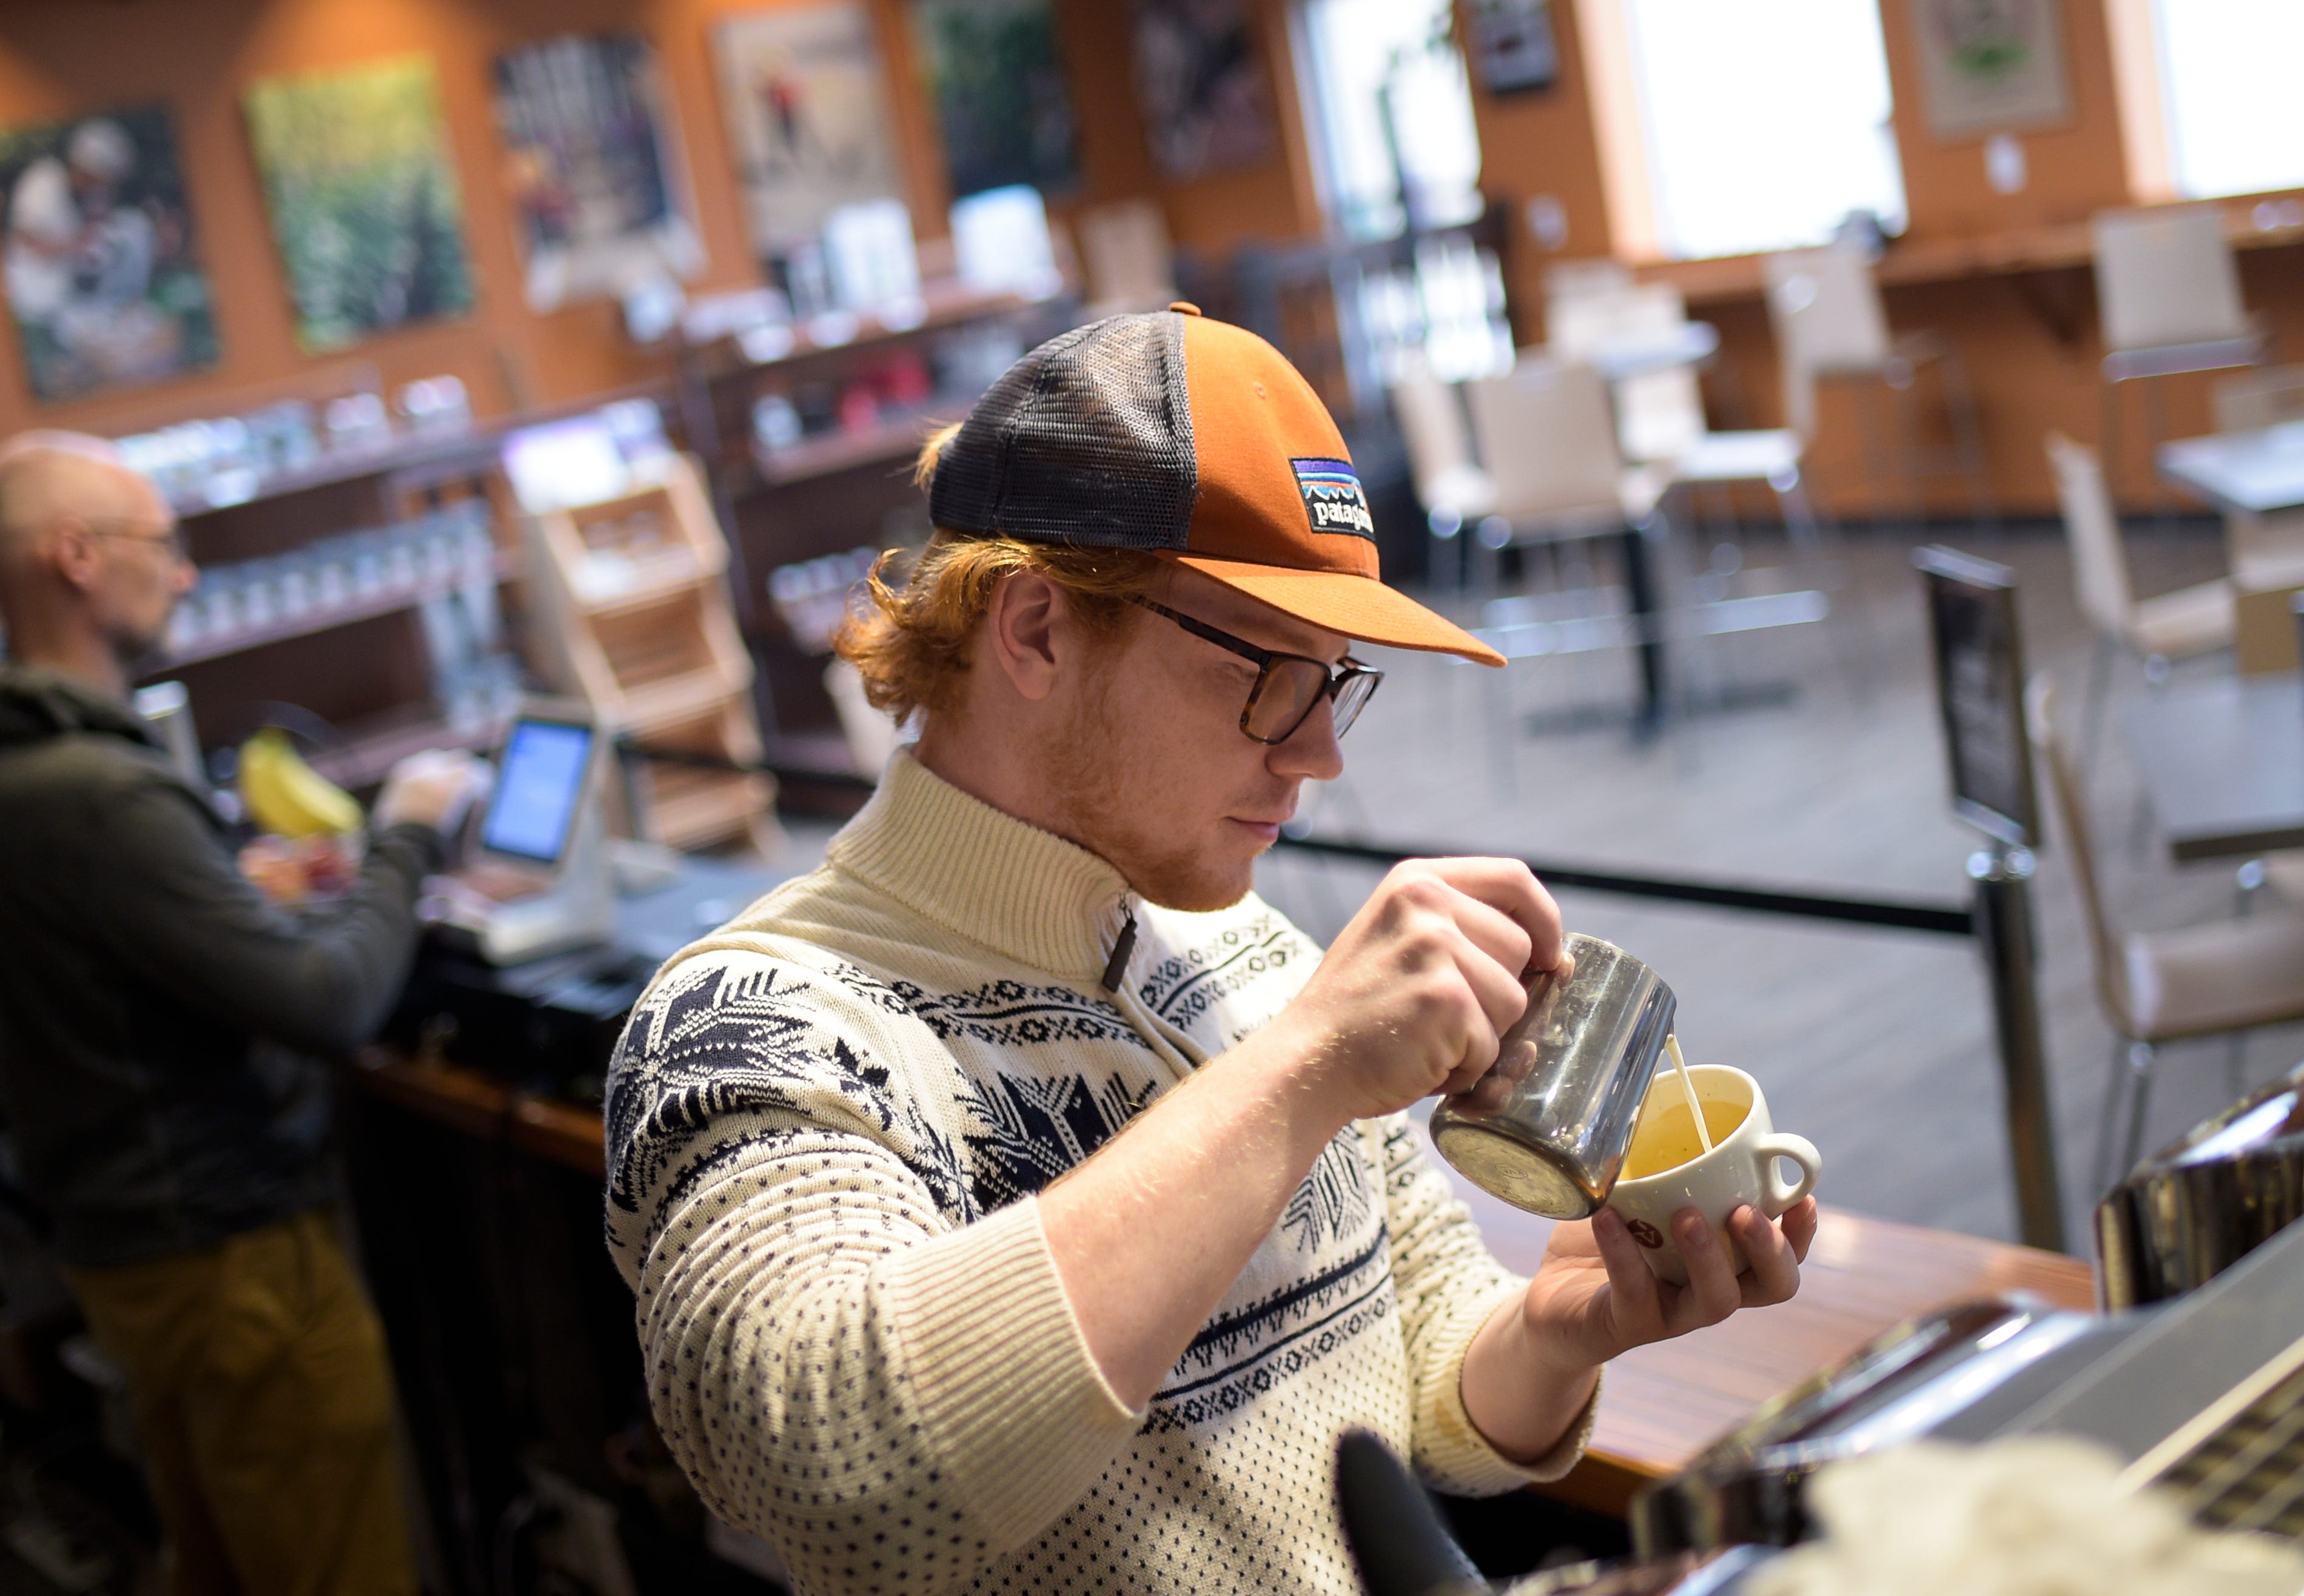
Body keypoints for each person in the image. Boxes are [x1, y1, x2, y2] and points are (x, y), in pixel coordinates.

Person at [603, 306, 1819, 1596]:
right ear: (1036, 628)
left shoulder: (1249, 946)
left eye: (1333, 679)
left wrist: (1561, 1330)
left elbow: (1418, 1365)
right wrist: (1301, 1069)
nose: (1320, 752)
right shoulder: (756, 1020)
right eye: (1270, 672)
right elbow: (848, 1482)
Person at [0, 429, 479, 1596]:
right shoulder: (103, 792)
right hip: (236, 1260)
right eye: (162, 543)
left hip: (125, 1249)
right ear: (77, 556)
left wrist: (227, 898)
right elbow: (328, 1001)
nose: (183, 572)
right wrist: (408, 833)